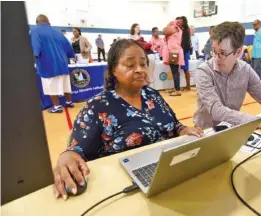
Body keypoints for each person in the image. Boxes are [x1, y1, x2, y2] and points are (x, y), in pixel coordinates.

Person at [53, 39, 204, 199]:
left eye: (143, 64)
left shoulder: (153, 95)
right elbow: (76, 150)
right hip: (125, 186)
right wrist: (66, 157)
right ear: (113, 70)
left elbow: (174, 126)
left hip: (168, 173)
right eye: (130, 65)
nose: (140, 70)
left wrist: (184, 130)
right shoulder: (98, 106)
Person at [194, 22, 261, 131]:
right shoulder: (203, 72)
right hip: (205, 132)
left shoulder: (245, 70)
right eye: (214, 51)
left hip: (232, 129)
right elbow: (217, 111)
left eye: (223, 53)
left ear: (238, 52)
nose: (216, 58)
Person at [30, 15, 76, 113]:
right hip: (63, 64)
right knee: (66, 84)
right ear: (48, 22)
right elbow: (68, 47)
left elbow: (35, 47)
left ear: (37, 22)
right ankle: (69, 102)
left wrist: (33, 58)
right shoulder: (57, 32)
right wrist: (71, 56)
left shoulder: (35, 31)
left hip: (48, 64)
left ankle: (56, 107)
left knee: (51, 87)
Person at [162, 19, 185, 96]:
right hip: (175, 52)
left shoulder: (175, 29)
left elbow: (164, 31)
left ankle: (178, 90)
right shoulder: (178, 30)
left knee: (175, 72)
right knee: (174, 72)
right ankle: (176, 88)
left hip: (174, 52)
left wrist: (170, 24)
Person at [177, 16, 192, 91]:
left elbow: (186, 42)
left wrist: (183, 52)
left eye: (180, 21)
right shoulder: (180, 29)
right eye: (178, 21)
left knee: (186, 69)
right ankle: (179, 86)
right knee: (179, 69)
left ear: (184, 22)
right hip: (181, 51)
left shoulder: (186, 29)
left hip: (185, 51)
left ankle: (188, 86)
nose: (179, 22)